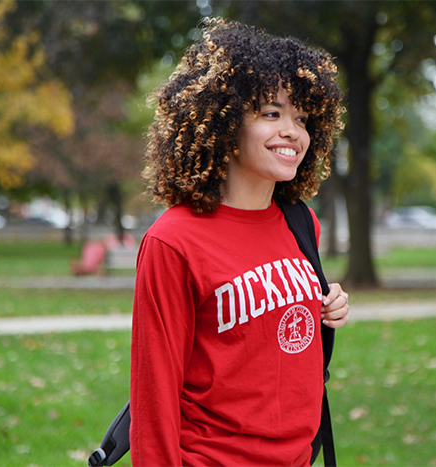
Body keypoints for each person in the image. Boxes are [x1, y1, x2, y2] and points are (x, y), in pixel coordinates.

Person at [129, 18, 349, 467]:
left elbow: (277, 335)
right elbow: (154, 394)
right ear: (225, 124)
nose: (292, 131)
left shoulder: (301, 222)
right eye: (271, 113)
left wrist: (327, 307)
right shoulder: (174, 240)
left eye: (301, 118)